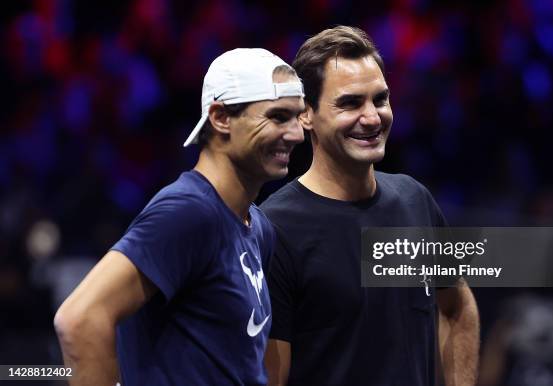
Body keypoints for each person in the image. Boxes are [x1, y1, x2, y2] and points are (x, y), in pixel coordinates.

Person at [53, 48, 305, 386]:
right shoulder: (188, 212)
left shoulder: (258, 227)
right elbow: (79, 319)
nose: (296, 134)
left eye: (297, 117)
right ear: (220, 118)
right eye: (277, 117)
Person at [261, 26, 479, 386]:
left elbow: (458, 308)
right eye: (350, 103)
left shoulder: (415, 201)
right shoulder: (275, 228)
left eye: (380, 99)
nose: (373, 118)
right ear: (305, 114)